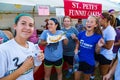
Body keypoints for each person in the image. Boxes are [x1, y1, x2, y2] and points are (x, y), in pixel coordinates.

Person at [0, 13, 44, 80]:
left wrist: (38, 60)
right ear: (15, 26)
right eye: (23, 23)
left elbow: (31, 72)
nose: (27, 28)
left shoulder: (32, 46)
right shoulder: (3, 50)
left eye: (31, 25)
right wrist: (22, 69)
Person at [74, 15, 104, 80]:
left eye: (91, 22)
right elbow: (78, 42)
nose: (88, 23)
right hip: (78, 60)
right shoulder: (81, 34)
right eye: (87, 21)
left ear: (96, 25)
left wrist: (99, 46)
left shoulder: (98, 37)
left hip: (89, 62)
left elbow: (97, 51)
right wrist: (76, 48)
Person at [98, 12, 116, 78]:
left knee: (105, 75)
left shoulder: (110, 30)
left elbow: (109, 47)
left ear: (105, 19)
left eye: (100, 18)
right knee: (102, 73)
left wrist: (100, 44)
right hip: (101, 54)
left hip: (106, 56)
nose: (99, 20)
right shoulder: (103, 28)